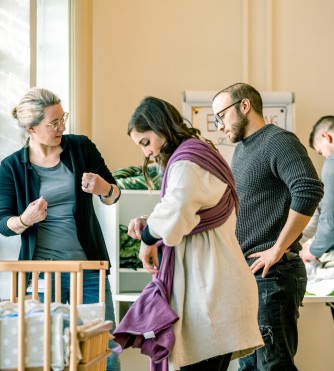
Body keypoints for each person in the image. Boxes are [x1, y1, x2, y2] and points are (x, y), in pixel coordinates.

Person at [114, 96, 264, 371]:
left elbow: (175, 216)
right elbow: (186, 210)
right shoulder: (199, 153)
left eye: (146, 142)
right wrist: (150, 222)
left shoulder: (187, 162)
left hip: (210, 291)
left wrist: (148, 237)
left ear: (161, 127)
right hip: (215, 286)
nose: (146, 153)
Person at [0, 87, 121, 371]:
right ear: (31, 128)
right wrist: (25, 220)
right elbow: (3, 223)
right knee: (47, 355)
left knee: (105, 351)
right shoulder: (11, 167)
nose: (62, 127)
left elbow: (114, 194)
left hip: (88, 270)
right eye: (53, 123)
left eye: (62, 118)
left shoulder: (81, 148)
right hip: (41, 275)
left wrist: (104, 189)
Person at [212, 83, 324, 371]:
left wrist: (278, 248)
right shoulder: (242, 151)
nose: (219, 125)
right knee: (249, 366)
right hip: (250, 276)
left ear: (245, 106)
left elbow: (308, 190)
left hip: (273, 275)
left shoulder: (278, 141)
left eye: (221, 116)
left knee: (273, 366)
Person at [299, 115, 334, 266]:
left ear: (326, 137)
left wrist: (312, 251)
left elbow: (330, 219)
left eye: (321, 152)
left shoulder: (332, 164)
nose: (325, 157)